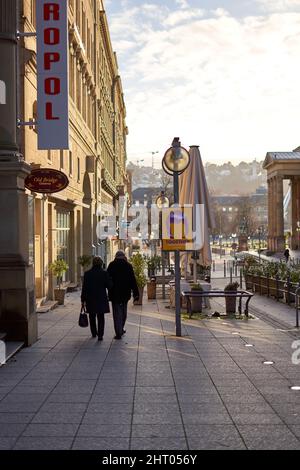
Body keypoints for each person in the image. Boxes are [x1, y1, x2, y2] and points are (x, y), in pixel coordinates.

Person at [107, 250, 139, 340]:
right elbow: (133, 280)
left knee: (116, 313)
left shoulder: (111, 265)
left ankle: (118, 332)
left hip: (114, 293)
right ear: (124, 256)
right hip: (125, 293)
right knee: (124, 311)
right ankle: (121, 328)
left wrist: (108, 288)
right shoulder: (128, 266)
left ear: (116, 256)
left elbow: (107, 278)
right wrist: (136, 293)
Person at [81, 256, 112, 341]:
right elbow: (109, 286)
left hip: (90, 298)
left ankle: (94, 333)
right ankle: (100, 335)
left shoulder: (87, 274)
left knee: (92, 315)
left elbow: (84, 288)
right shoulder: (104, 273)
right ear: (101, 264)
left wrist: (82, 299)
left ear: (93, 264)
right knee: (101, 317)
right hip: (101, 298)